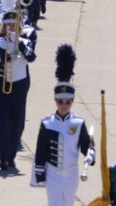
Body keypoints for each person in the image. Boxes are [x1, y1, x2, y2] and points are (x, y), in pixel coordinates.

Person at [32, 44, 94, 205]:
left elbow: (86, 145)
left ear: (72, 101)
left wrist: (90, 155)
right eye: (60, 101)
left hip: (72, 174)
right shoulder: (47, 123)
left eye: (67, 101)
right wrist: (39, 171)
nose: (64, 104)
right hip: (53, 173)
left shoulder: (78, 122)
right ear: (55, 101)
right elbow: (41, 149)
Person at [0, 0, 36, 170]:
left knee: (17, 125)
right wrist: (5, 53)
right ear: (3, 27)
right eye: (7, 25)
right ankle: (3, 158)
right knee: (4, 125)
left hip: (19, 87)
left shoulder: (26, 41)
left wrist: (19, 44)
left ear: (18, 26)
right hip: (1, 88)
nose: (10, 28)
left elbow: (31, 58)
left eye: (13, 25)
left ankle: (12, 156)